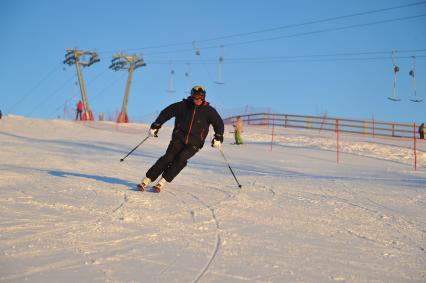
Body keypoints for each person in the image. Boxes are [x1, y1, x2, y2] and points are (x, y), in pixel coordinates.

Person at [138, 85, 224, 192]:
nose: (198, 100)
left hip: (195, 142)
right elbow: (166, 113)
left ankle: (163, 181)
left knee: (181, 159)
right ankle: (147, 179)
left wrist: (218, 137)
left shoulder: (209, 111)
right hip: (178, 138)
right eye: (196, 97)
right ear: (192, 96)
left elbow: (219, 123)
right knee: (168, 157)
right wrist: (156, 125)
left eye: (201, 97)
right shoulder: (182, 106)